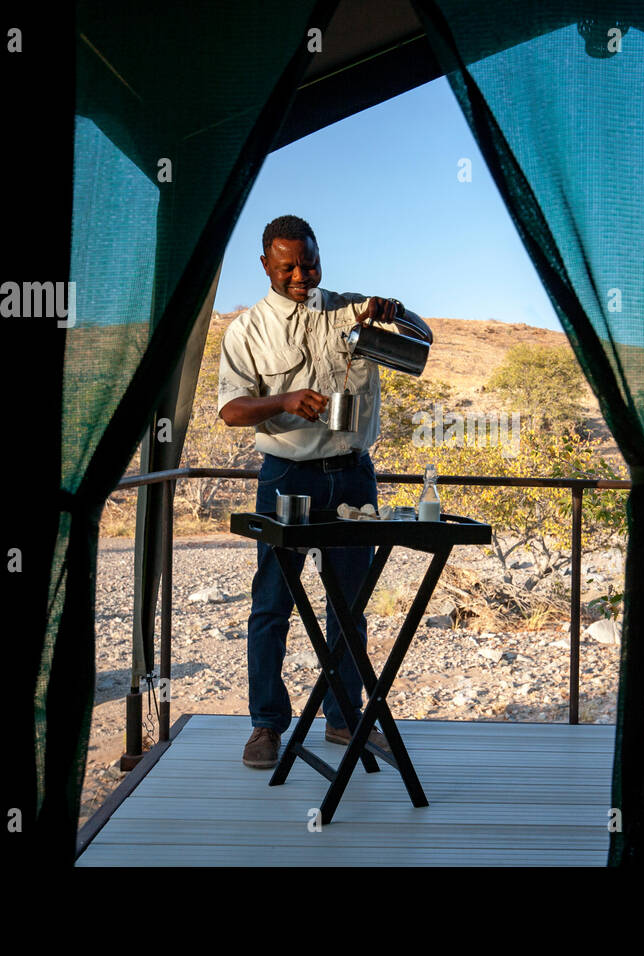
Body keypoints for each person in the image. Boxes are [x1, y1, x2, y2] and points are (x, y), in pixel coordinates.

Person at [217, 214, 433, 769]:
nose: (300, 274)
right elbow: (231, 410)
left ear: (320, 256)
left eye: (308, 263)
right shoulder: (247, 330)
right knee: (272, 604)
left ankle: (343, 719)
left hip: (353, 475)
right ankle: (266, 725)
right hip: (286, 478)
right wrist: (283, 401)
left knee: (349, 606)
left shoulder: (354, 308)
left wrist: (398, 312)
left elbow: (424, 344)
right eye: (287, 265)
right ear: (265, 263)